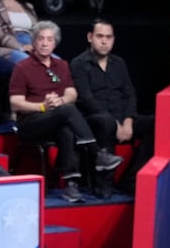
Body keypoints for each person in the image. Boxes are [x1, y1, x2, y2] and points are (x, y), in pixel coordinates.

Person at [9, 21, 120, 204]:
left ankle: (71, 185)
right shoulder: (23, 67)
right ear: (34, 42)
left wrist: (60, 101)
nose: (45, 43)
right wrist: (43, 106)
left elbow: (72, 93)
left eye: (49, 40)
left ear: (55, 43)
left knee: (67, 129)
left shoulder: (61, 65)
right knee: (68, 112)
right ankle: (97, 153)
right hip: (29, 123)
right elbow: (15, 103)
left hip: (55, 119)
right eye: (41, 39)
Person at [70, 19, 153, 194]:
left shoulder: (119, 63)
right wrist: (116, 124)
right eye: (100, 36)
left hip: (123, 117)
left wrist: (128, 121)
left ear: (113, 40)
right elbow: (86, 99)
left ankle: (131, 180)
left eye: (109, 37)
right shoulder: (79, 63)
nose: (104, 41)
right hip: (94, 119)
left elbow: (130, 94)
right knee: (105, 122)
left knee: (156, 123)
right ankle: (104, 184)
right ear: (90, 37)